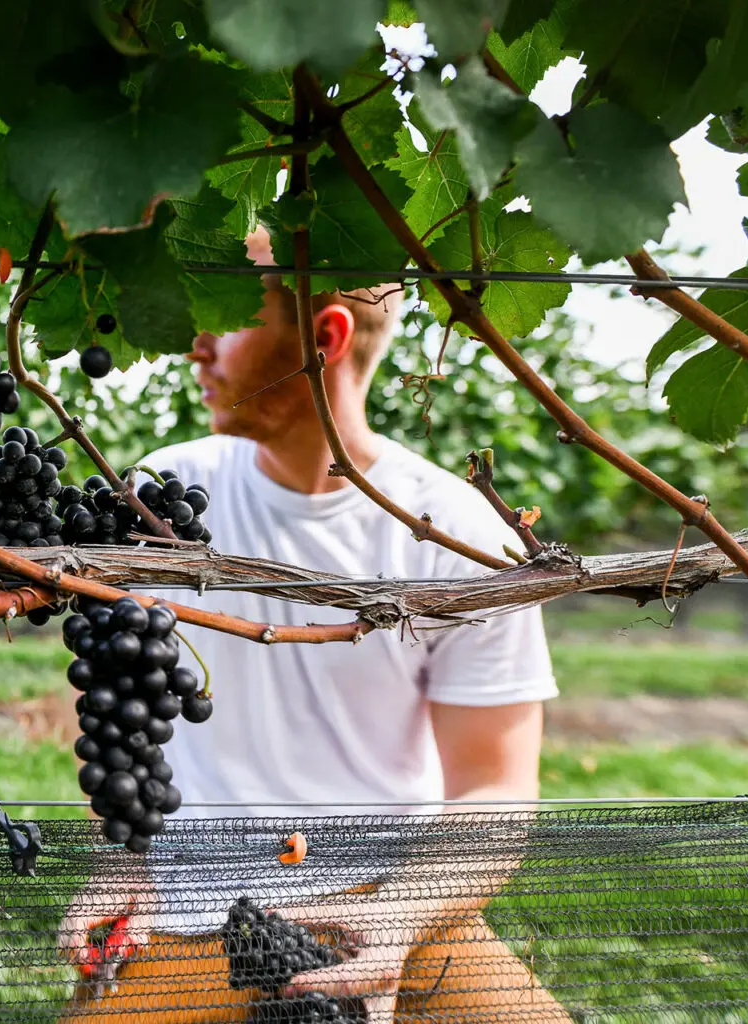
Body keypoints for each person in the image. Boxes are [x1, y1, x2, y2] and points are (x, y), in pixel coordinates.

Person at [55, 230, 570, 1023]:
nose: (196, 344)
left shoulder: (462, 535)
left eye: (223, 316)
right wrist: (120, 863)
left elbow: (495, 783)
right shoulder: (162, 497)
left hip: (393, 898)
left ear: (324, 338)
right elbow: (116, 719)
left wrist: (399, 919)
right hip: (188, 906)